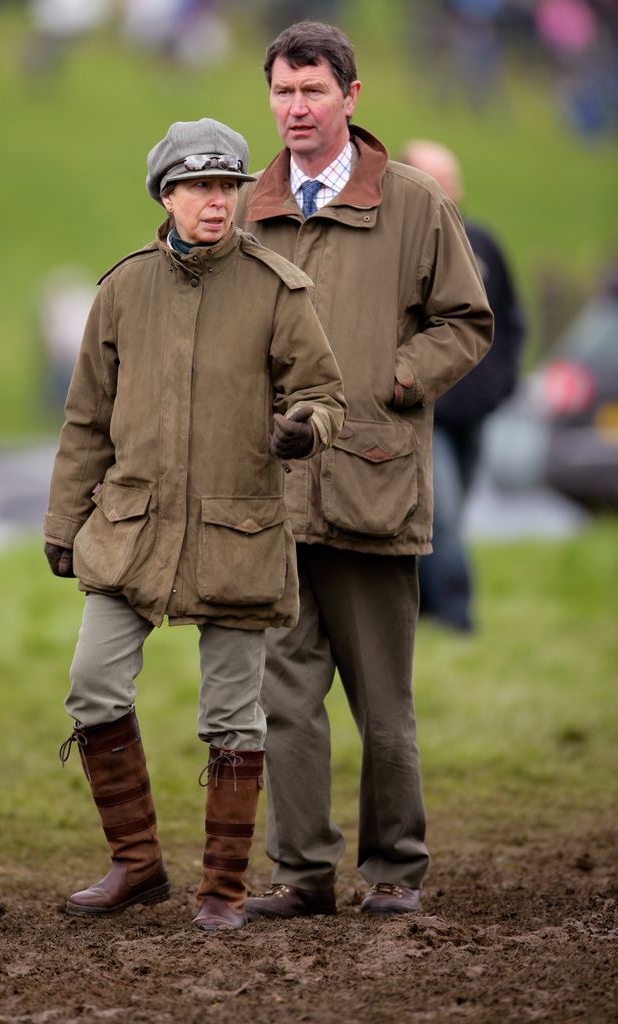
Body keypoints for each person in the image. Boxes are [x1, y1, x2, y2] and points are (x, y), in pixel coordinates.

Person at [43, 117, 346, 932]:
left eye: (228, 187)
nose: (217, 202)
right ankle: (136, 868)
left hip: (237, 532)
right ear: (167, 195)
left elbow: (326, 395)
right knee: (92, 687)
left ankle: (222, 889)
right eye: (200, 187)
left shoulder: (278, 289)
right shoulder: (121, 290)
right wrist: (64, 522)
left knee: (232, 718)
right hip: (128, 530)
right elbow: (85, 422)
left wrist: (304, 427)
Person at [234, 21, 493, 919]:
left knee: (384, 704)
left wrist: (394, 378)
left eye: (311, 91)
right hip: (274, 497)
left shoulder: (416, 202)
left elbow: (466, 322)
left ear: (350, 96)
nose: (294, 108)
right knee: (285, 700)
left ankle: (393, 871)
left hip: (375, 481)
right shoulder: (247, 207)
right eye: (281, 91)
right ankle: (301, 875)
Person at [400, 139, 525, 633]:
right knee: (442, 513)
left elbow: (509, 324)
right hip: (423, 414)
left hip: (476, 415)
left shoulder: (483, 246)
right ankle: (456, 616)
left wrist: (500, 389)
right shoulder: (399, 250)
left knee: (449, 512)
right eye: (438, 178)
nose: (451, 188)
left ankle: (424, 604)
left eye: (453, 177)